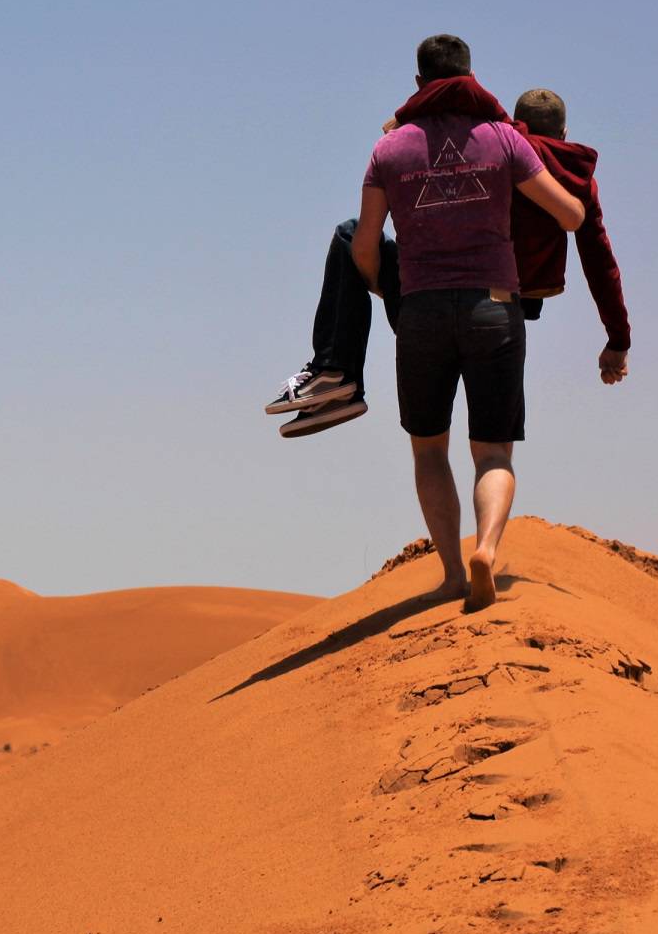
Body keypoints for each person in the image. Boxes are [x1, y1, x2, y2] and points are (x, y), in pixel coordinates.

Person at [307, 35, 586, 611]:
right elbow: (570, 214)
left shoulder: (390, 149)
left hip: (422, 311)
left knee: (429, 452)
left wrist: (393, 290)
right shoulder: (503, 139)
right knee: (494, 454)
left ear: (417, 85)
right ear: (470, 77)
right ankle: (487, 547)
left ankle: (454, 573)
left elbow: (364, 243)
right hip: (495, 309)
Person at [265, 83, 632, 439]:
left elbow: (459, 91)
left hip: (429, 296)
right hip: (500, 319)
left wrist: (407, 117)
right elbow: (601, 262)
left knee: (352, 233)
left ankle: (335, 371)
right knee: (493, 448)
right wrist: (618, 340)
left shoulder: (502, 146)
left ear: (519, 125)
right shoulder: (578, 183)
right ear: (564, 133)